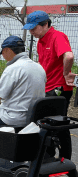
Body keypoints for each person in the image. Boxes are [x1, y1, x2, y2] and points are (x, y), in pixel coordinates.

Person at [23, 11, 75, 158]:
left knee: (59, 125)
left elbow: (69, 55)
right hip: (46, 87)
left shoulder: (57, 36)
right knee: (44, 123)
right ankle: (47, 157)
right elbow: (43, 64)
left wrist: (65, 73)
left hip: (58, 88)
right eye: (30, 29)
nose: (31, 32)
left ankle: (65, 161)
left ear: (45, 24)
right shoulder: (41, 41)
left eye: (34, 28)